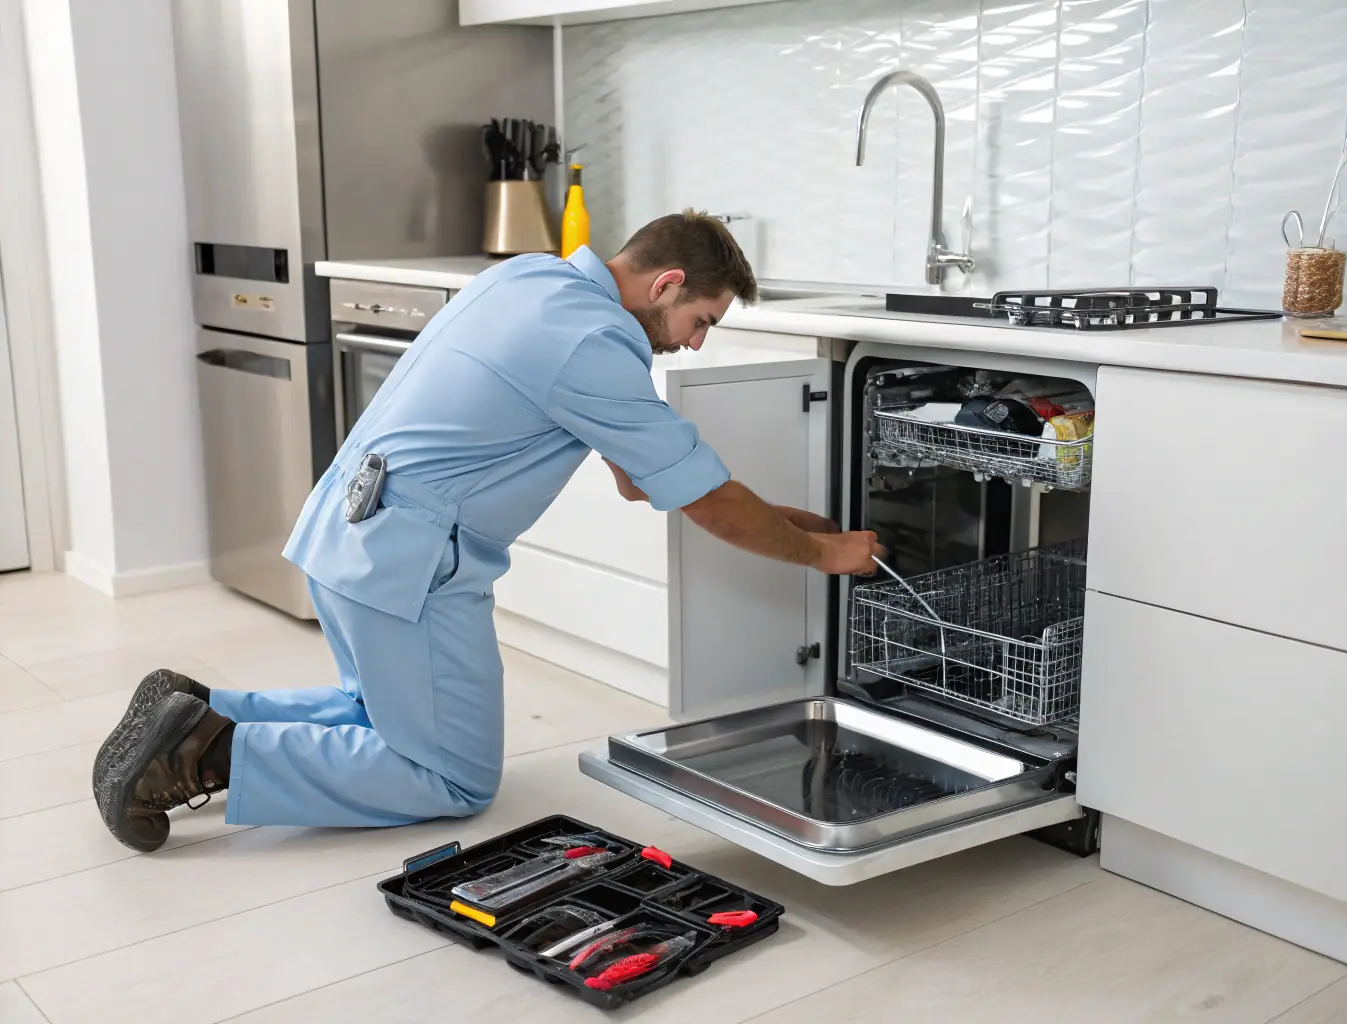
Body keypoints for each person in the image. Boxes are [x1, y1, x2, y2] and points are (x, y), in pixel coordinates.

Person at [92, 210, 883, 852]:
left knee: (377, 714)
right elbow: (704, 502)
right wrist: (824, 553)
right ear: (666, 282)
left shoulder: (529, 278)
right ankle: (204, 750)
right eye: (700, 318)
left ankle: (202, 705)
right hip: (408, 568)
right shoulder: (594, 345)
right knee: (450, 779)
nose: (695, 341)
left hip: (345, 537)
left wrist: (781, 521)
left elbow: (644, 474)